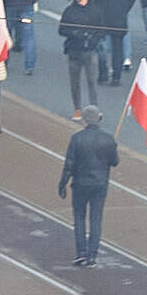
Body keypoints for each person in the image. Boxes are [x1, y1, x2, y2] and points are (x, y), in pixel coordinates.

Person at [58, 104, 119, 264]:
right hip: (100, 184)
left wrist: (63, 183)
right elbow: (114, 162)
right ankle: (92, 255)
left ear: (84, 121)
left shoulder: (77, 138)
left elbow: (69, 164)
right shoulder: (108, 138)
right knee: (96, 218)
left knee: (79, 217)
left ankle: (81, 252)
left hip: (80, 184)